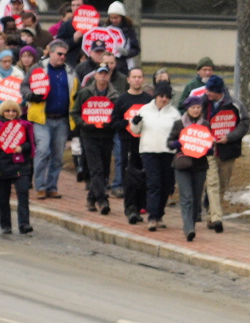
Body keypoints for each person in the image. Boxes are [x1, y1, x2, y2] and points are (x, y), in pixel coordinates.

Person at [22, 39, 76, 200]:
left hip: (62, 119)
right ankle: (40, 186)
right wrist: (31, 96)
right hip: (42, 118)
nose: (62, 57)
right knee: (43, 150)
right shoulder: (38, 69)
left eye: (64, 55)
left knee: (58, 155)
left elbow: (76, 91)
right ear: (51, 53)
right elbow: (23, 86)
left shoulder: (70, 71)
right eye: (59, 54)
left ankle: (52, 186)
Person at [202, 75, 250, 233]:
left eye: (210, 91)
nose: (207, 93)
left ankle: (211, 215)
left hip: (228, 150)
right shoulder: (203, 102)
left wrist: (229, 137)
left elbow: (245, 123)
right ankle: (217, 218)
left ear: (218, 91)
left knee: (222, 184)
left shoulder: (235, 104)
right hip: (209, 150)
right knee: (212, 183)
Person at [131, 81, 180, 232]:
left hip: (167, 152)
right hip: (149, 151)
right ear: (156, 96)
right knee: (154, 184)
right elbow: (136, 130)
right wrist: (135, 122)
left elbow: (180, 134)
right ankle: (152, 217)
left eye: (167, 97)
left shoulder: (174, 113)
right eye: (161, 96)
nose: (164, 99)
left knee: (166, 185)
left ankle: (159, 215)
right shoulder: (145, 110)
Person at [72, 64, 118, 216]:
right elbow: (75, 112)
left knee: (104, 169)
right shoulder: (85, 93)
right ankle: (102, 200)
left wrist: (110, 123)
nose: (103, 76)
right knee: (96, 168)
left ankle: (91, 198)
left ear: (109, 76)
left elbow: (117, 116)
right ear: (95, 76)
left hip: (106, 135)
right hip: (89, 136)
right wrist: (84, 124)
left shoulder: (114, 95)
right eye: (101, 74)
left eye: (106, 73)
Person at [0, 100, 35, 235]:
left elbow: (30, 144)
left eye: (13, 111)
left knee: (23, 194)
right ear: (2, 112)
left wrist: (21, 148)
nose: (11, 113)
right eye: (7, 111)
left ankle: (24, 224)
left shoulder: (24, 126)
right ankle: (6, 225)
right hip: (2, 167)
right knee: (4, 198)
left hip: (20, 165)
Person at [168, 95, 210, 242]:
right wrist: (178, 143)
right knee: (187, 197)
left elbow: (210, 145)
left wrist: (208, 147)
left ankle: (191, 224)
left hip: (200, 166)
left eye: (198, 107)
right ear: (187, 109)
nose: (196, 110)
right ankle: (188, 228)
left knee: (196, 198)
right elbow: (169, 143)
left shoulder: (205, 125)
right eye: (193, 107)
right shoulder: (179, 124)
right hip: (182, 165)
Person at [112, 67, 151, 224]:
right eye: (134, 77)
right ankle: (130, 208)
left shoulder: (149, 100)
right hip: (127, 142)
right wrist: (127, 122)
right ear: (128, 79)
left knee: (144, 174)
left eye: (140, 77)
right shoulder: (122, 100)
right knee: (129, 175)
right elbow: (114, 122)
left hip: (145, 142)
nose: (137, 80)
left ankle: (141, 206)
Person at [0, 50, 24, 119]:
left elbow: (23, 92)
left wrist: (22, 101)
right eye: (4, 61)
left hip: (14, 114)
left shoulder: (19, 74)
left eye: (9, 61)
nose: (7, 64)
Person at [104, 2, 140, 71]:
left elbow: (136, 49)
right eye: (111, 18)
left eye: (116, 18)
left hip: (124, 66)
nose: (114, 20)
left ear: (122, 17)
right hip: (107, 64)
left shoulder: (129, 30)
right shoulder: (106, 29)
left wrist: (126, 53)